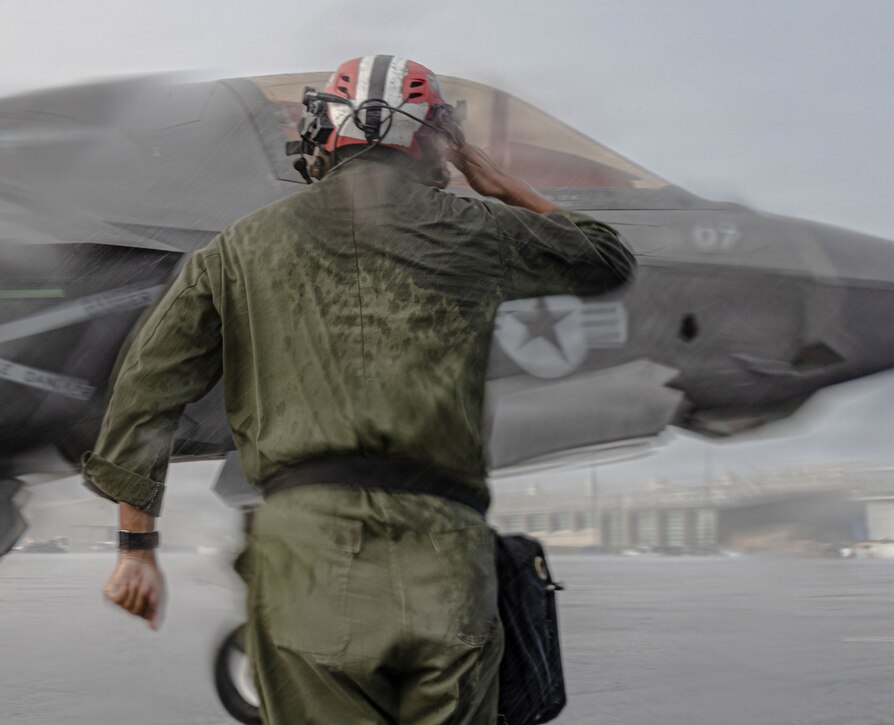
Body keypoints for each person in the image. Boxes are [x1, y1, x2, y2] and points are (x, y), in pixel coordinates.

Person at [82, 54, 635, 724]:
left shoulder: (235, 250)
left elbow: (148, 389)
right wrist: (497, 182)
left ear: (324, 133)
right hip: (443, 553)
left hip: (304, 556)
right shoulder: (478, 229)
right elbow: (605, 258)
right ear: (437, 139)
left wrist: (135, 549)